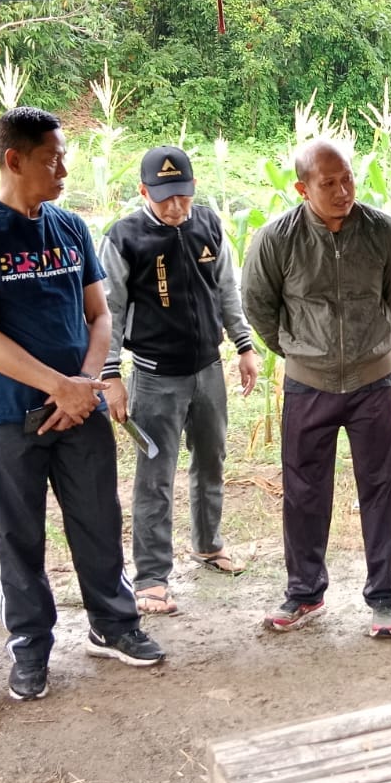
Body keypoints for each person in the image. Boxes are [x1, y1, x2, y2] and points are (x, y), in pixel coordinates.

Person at [0, 106, 163, 701]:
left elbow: (100, 315)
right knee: (16, 535)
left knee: (97, 519)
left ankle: (113, 625)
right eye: (51, 158)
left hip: (79, 408)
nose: (63, 167)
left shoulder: (68, 227)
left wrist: (84, 383)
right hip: (5, 413)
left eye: (63, 155)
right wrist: (55, 386)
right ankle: (30, 648)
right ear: (13, 160)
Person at [241, 138, 391, 638]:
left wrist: (368, 347)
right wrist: (301, 350)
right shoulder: (277, 238)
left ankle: (385, 598)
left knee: (383, 489)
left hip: (372, 381)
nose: (344, 191)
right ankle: (304, 593)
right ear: (302, 188)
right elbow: (259, 306)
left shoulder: (383, 231)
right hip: (307, 384)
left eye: (348, 179)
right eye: (329, 183)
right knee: (303, 492)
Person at [99, 145, 261, 616]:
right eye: (165, 196)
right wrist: (110, 375)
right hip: (153, 377)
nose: (175, 206)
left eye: (183, 196)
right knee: (155, 477)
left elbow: (226, 289)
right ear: (144, 191)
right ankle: (151, 576)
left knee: (211, 458)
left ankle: (208, 543)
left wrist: (244, 346)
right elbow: (108, 309)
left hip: (207, 369)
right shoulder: (124, 237)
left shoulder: (208, 224)